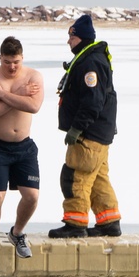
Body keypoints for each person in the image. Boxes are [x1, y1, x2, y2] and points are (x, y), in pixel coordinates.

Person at [49, 13, 121, 238]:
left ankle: (75, 223)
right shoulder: (90, 58)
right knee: (98, 177)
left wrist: (77, 129)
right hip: (100, 132)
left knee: (75, 175)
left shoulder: (90, 63)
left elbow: (93, 102)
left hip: (89, 134)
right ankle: (109, 221)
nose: (68, 41)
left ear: (82, 38)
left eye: (72, 37)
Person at [0, 36, 44, 266]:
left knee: (32, 196)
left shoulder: (34, 77)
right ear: (0, 58)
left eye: (16, 61)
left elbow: (33, 106)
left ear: (22, 58)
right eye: (7, 62)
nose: (12, 66)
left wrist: (2, 95)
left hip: (24, 146)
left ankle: (17, 233)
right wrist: (19, 95)